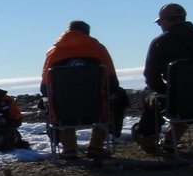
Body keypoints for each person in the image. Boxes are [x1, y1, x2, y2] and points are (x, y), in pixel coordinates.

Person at [132, 3, 193, 153]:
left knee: (150, 94)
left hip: (178, 102)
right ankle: (170, 141)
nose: (160, 25)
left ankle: (147, 137)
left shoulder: (160, 42)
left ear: (166, 20)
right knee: (188, 98)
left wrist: (166, 91)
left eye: (160, 22)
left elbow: (151, 77)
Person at [40, 20, 128, 160]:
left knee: (56, 102)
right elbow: (112, 81)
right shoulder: (98, 49)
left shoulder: (54, 52)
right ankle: (96, 146)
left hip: (63, 108)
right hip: (96, 105)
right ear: (87, 33)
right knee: (117, 98)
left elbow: (44, 87)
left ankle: (69, 148)